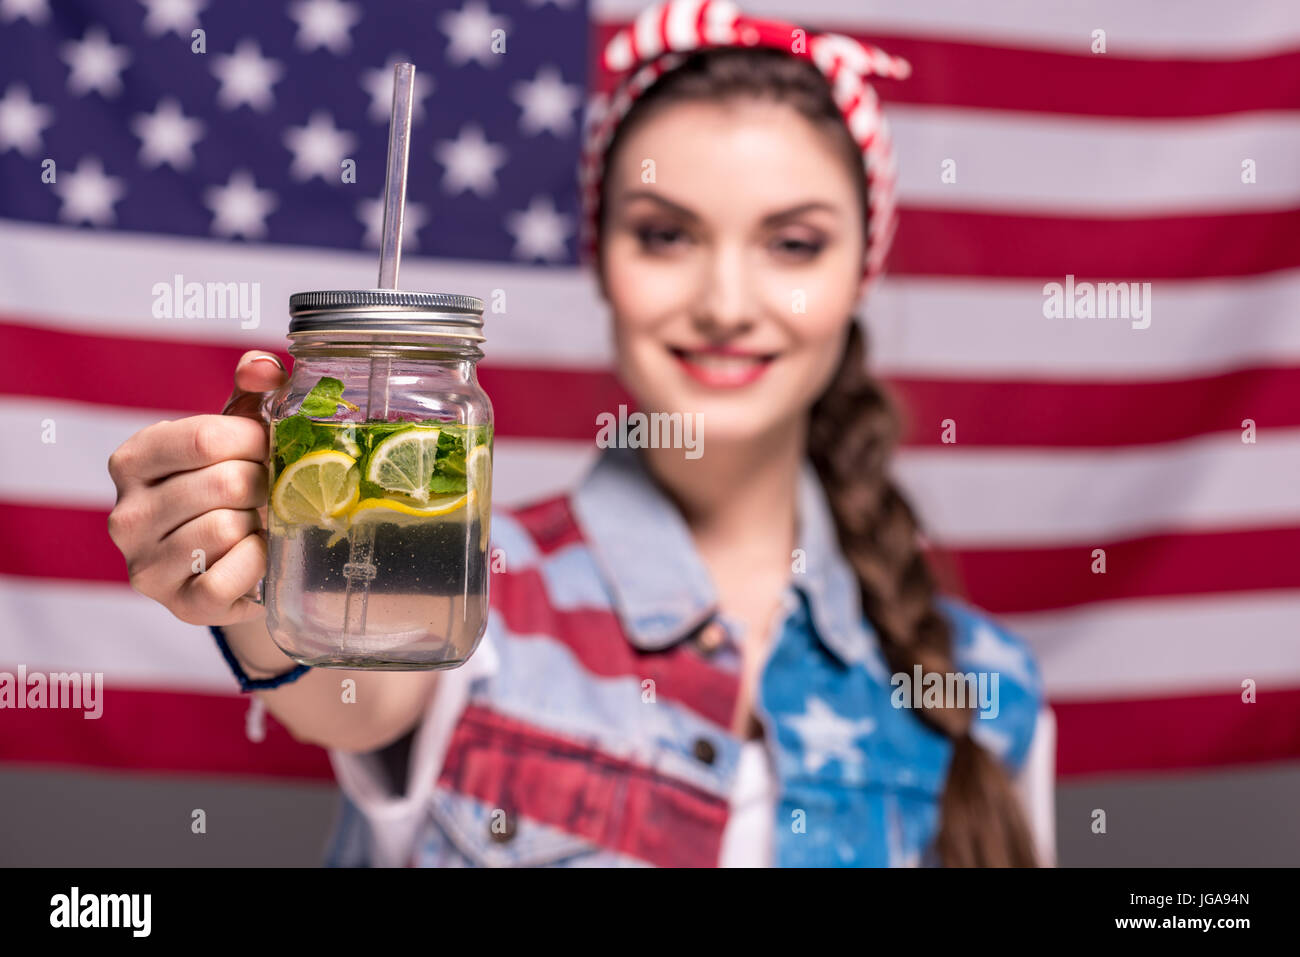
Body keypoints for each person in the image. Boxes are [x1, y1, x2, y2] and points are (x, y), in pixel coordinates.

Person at [107, 0, 1054, 867]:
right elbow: (355, 690)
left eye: (793, 243)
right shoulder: (468, 575)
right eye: (666, 235)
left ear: (861, 274)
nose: (726, 302)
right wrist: (262, 604)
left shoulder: (987, 688)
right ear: (601, 258)